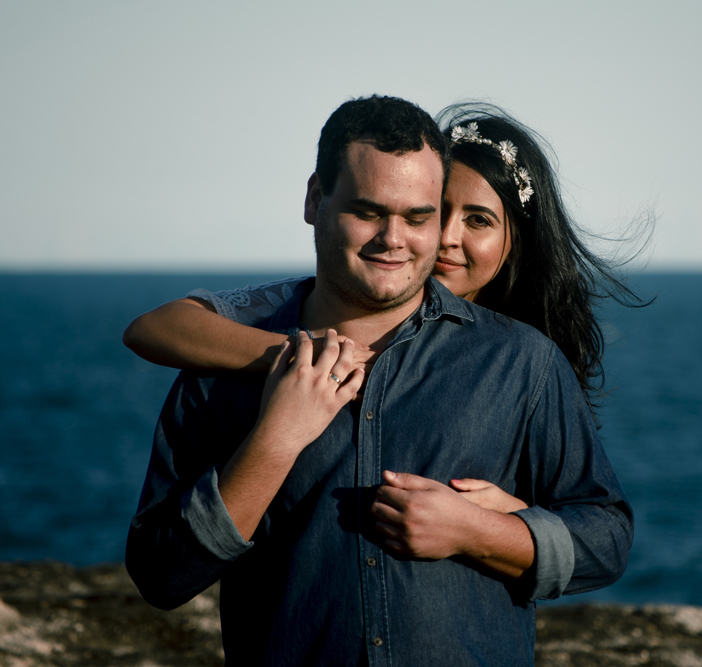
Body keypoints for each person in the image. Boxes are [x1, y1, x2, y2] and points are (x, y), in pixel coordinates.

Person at [126, 95, 632, 665]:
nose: (398, 238)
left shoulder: (522, 363)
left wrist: (479, 530)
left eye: (419, 216)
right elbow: (160, 577)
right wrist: (277, 437)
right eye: (369, 212)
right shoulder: (224, 365)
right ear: (316, 199)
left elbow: (605, 538)